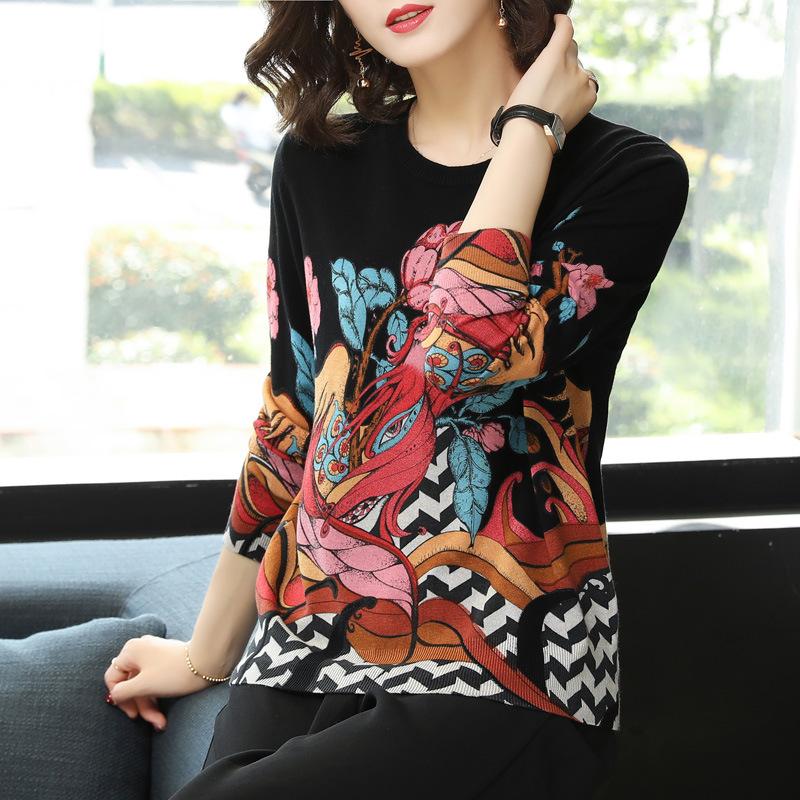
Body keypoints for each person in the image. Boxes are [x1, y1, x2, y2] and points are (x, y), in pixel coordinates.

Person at [103, 2, 690, 798]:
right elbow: (295, 418)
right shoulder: (318, 162)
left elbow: (452, 361)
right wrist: (207, 653)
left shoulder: (628, 175)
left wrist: (529, 132)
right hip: (306, 635)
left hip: (508, 652)